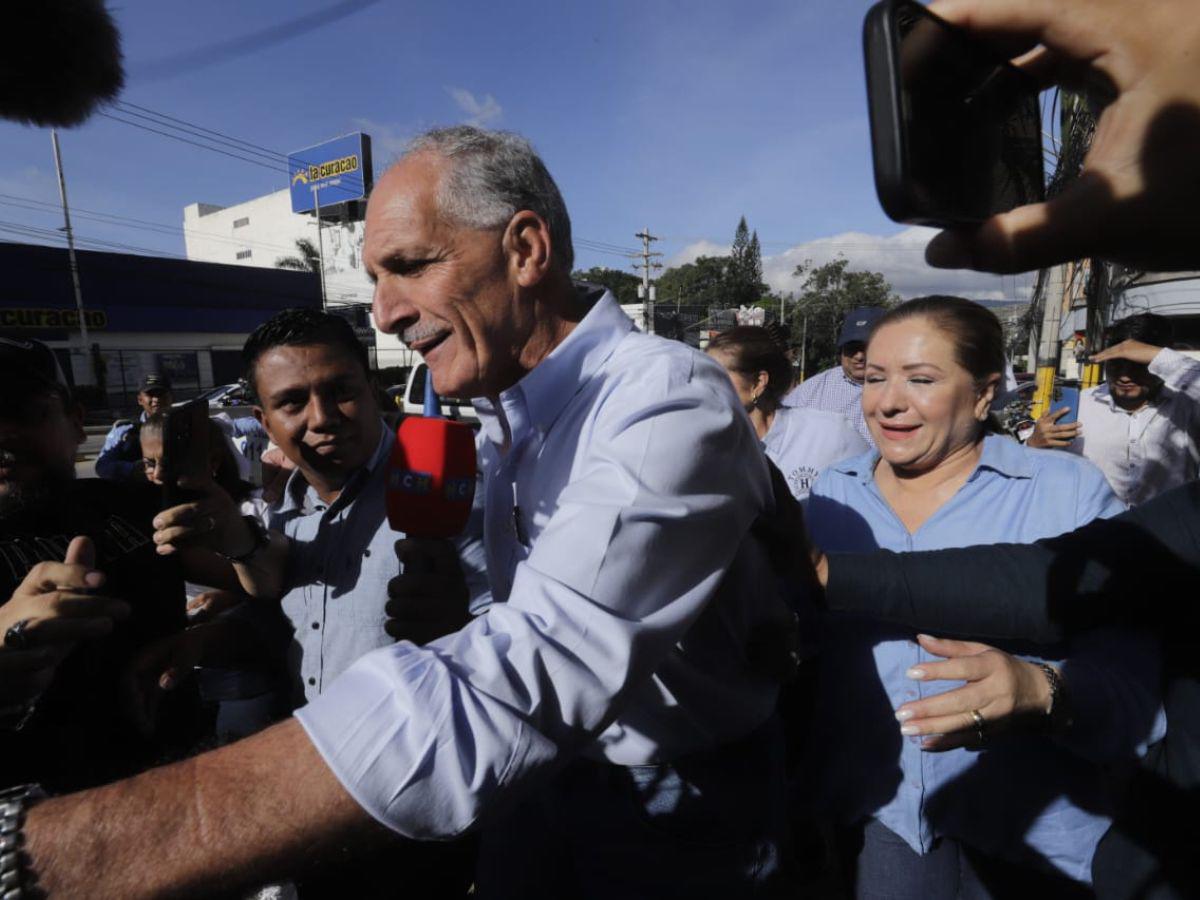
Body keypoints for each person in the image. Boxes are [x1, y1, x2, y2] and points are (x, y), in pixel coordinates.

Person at [17, 125, 794, 899]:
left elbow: (540, 665)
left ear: (525, 250)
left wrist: (83, 854)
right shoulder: (493, 422)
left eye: (410, 268)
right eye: (375, 280)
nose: (385, 313)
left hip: (674, 810)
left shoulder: (662, 399)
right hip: (533, 794)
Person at [803, 296, 1161, 897]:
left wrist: (1040, 688)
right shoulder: (834, 495)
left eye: (921, 379)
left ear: (984, 393)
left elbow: (1139, 682)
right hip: (883, 822)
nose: (888, 401)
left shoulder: (1064, 493)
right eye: (873, 378)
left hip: (1036, 829)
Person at [0, 337, 200, 794]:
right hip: (39, 834)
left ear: (74, 422)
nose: (2, 434)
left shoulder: (141, 506)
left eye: (24, 412)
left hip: (179, 788)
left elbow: (273, 585)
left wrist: (208, 637)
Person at [1028, 313, 1200, 506]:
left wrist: (1158, 356)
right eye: (1117, 364)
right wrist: (1034, 445)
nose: (1125, 377)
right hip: (1093, 531)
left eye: (1138, 365)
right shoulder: (1079, 404)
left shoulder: (1188, 404)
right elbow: (1038, 472)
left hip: (1168, 533)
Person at [707, 325, 867, 500]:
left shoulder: (831, 434)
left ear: (758, 383)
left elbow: (873, 500)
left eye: (716, 376)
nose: (703, 386)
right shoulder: (702, 447)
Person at [780, 306, 886, 446]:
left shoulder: (904, 390)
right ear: (841, 351)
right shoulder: (812, 392)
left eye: (867, 347)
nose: (859, 356)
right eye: (851, 348)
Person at [94, 373, 174, 482]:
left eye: (161, 394)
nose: (156, 399)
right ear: (140, 399)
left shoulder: (185, 427)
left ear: (171, 397)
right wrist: (133, 468)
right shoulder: (125, 431)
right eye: (150, 394)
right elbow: (103, 466)